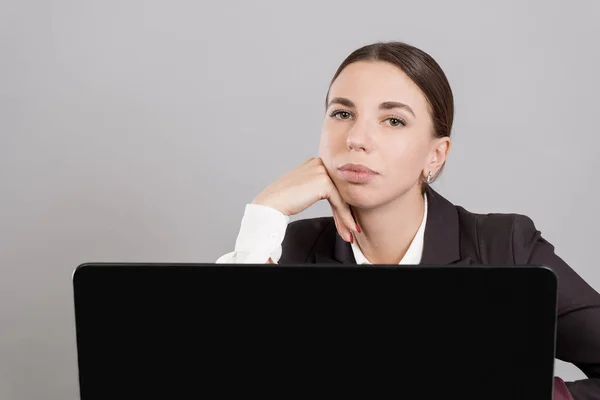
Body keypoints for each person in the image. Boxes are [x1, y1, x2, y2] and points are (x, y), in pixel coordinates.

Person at [216, 41, 600, 400]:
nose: (356, 138)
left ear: (436, 155)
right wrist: (264, 214)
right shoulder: (286, 251)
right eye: (342, 113)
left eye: (394, 121)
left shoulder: (505, 247)